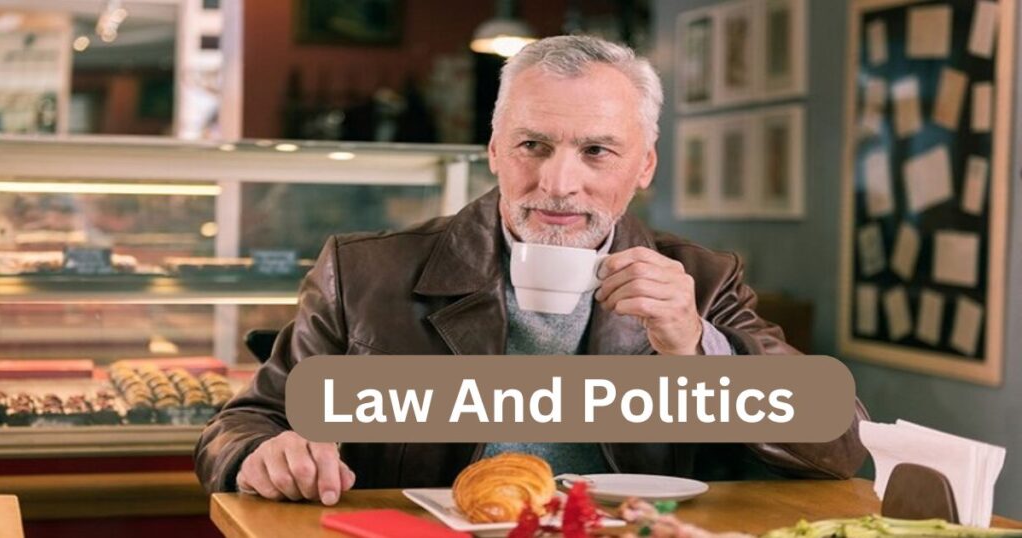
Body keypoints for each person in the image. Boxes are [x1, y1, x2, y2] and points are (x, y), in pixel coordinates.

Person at [195, 35, 867, 506]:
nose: (558, 182)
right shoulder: (364, 272)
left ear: (645, 166)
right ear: (494, 149)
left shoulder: (702, 281)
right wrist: (262, 454)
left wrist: (696, 349)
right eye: (532, 145)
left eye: (597, 151)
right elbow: (244, 422)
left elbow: (839, 446)